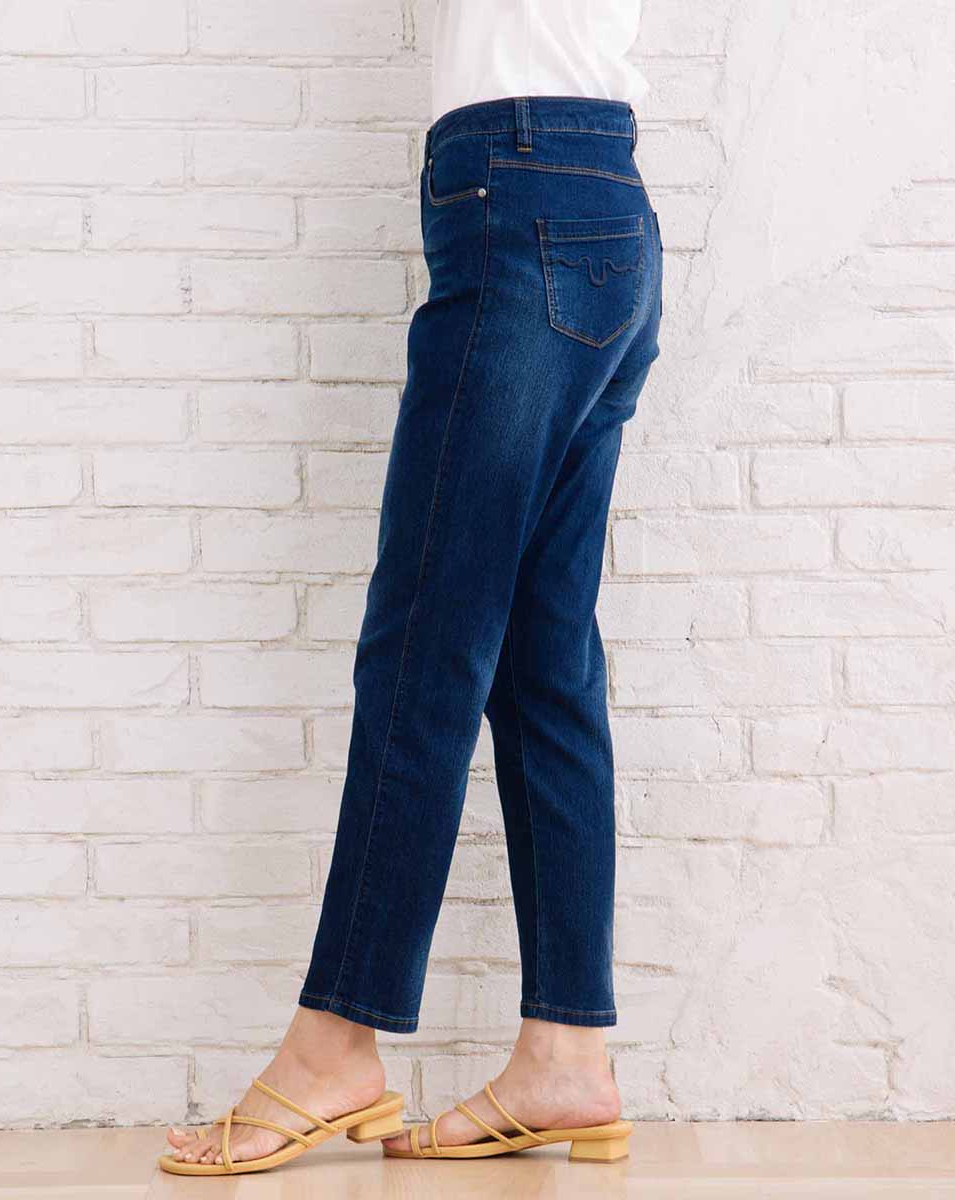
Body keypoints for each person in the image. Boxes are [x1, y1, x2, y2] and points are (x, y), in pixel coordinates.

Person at [161, 0, 662, 1176]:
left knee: (424, 650)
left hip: (519, 199)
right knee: (541, 660)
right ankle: (566, 1056)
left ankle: (334, 1047)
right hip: (599, 208)